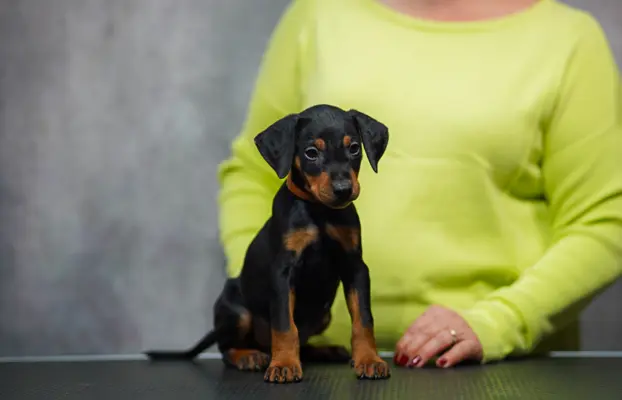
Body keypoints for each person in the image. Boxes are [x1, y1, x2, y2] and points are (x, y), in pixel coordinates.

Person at [216, 0, 622, 369]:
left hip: (497, 366)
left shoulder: (568, 40)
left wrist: (499, 321)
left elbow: (606, 220)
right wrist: (267, 288)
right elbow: (252, 174)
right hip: (321, 366)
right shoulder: (318, 14)